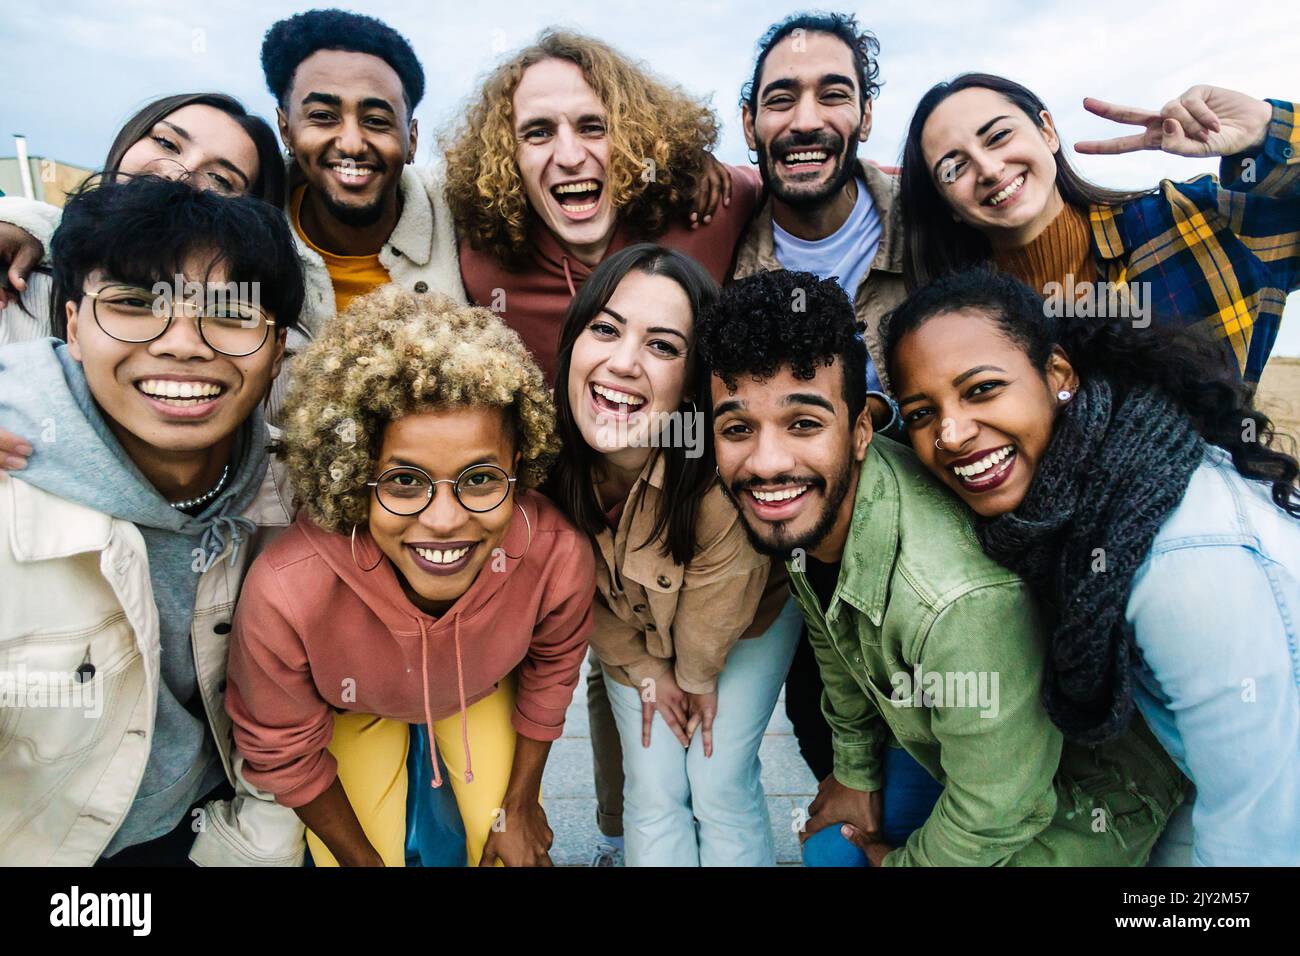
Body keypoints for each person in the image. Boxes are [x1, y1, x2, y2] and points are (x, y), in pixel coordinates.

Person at [698, 267, 1185, 866]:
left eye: (803, 423)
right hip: (964, 748)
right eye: (737, 428)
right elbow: (835, 647)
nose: (768, 463)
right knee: (831, 849)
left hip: (1083, 798)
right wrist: (853, 772)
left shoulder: (958, 602)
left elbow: (998, 811)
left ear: (860, 433)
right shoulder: (809, 513)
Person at [444, 28, 756, 863]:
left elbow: (830, 176)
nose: (568, 152)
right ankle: (627, 833)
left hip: (701, 525)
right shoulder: (480, 249)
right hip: (579, 527)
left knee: (715, 759)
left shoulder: (706, 206)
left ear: (637, 136)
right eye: (537, 132)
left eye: (593, 125)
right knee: (629, 728)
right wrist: (42, 225)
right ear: (505, 156)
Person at [884, 266, 1300, 866]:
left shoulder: (1183, 566)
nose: (951, 434)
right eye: (922, 413)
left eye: (981, 389)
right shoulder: (1094, 495)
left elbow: (1263, 841)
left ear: (1057, 376)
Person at [225, 286, 595, 867]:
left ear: (518, 465)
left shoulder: (554, 554)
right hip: (353, 708)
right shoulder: (287, 589)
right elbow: (283, 750)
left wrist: (520, 805)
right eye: (402, 483)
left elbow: (552, 674)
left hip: (477, 691)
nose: (445, 521)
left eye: (479, 479)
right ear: (352, 475)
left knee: (502, 848)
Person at [0, 175, 307, 865]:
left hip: (212, 827)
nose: (182, 342)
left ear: (278, 347)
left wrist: (254, 843)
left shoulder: (294, 495)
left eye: (230, 311)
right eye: (136, 304)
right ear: (73, 326)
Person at [547, 243, 800, 866]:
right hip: (632, 630)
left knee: (716, 778)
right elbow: (581, 597)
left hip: (744, 626)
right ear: (574, 341)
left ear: (694, 383)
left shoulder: (718, 478)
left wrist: (691, 677)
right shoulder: (542, 462)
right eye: (605, 329)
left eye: (663, 346)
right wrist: (646, 672)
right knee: (655, 782)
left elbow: (718, 609)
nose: (624, 362)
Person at [731, 10, 915, 793]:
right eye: (781, 99)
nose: (805, 120)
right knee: (839, 776)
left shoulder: (933, 224)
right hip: (803, 573)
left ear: (866, 115)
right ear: (750, 121)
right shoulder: (722, 250)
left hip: (930, 573)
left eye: (832, 94)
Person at [899, 74, 1300, 385]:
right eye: (954, 168)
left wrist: (1269, 129)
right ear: (945, 204)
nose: (988, 169)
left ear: (1047, 132)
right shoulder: (963, 324)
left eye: (999, 136)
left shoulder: (1191, 221)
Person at [0, 91, 285, 337]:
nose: (178, 175)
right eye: (166, 143)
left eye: (220, 178)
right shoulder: (19, 288)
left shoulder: (263, 329)